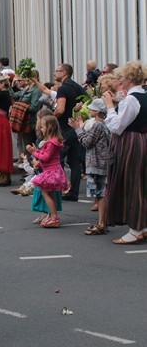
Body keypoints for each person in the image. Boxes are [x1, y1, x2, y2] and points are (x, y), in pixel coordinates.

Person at [103, 61, 146, 244]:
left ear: (129, 79)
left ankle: (135, 230)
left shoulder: (132, 99)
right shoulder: (142, 95)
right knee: (141, 183)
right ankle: (141, 226)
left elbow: (116, 126)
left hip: (130, 142)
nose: (118, 80)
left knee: (132, 183)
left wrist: (109, 107)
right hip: (141, 140)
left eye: (121, 77)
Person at [69, 98, 110, 235]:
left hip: (97, 162)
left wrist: (77, 129)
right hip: (99, 161)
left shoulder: (98, 125)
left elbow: (87, 142)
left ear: (97, 111)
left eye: (92, 108)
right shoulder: (102, 124)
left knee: (100, 193)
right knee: (99, 193)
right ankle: (102, 222)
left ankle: (102, 223)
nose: (89, 110)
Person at [26, 115, 68, 228]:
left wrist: (33, 152)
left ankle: (54, 217)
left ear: (49, 127)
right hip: (51, 171)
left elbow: (45, 157)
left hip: (52, 172)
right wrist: (36, 151)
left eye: (43, 127)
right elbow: (45, 156)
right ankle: (53, 215)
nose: (41, 129)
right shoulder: (51, 142)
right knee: (49, 193)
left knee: (46, 193)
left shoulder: (51, 143)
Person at [53, 63, 86, 200]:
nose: (55, 73)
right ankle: (73, 192)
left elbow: (60, 109)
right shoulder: (78, 87)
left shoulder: (63, 89)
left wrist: (52, 116)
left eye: (57, 71)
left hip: (65, 128)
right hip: (76, 127)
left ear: (64, 73)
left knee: (57, 158)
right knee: (74, 161)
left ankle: (58, 189)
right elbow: (85, 102)